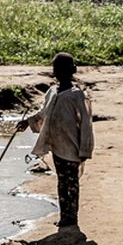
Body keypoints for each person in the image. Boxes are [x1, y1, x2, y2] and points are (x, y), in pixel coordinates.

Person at [17, 52, 94, 228]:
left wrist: (85, 150)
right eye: (56, 69)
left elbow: (86, 125)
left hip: (72, 147)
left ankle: (71, 217)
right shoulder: (53, 92)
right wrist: (28, 122)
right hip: (58, 145)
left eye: (62, 69)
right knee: (61, 181)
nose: (59, 72)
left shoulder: (77, 96)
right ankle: (64, 215)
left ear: (71, 71)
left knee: (71, 183)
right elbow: (44, 113)